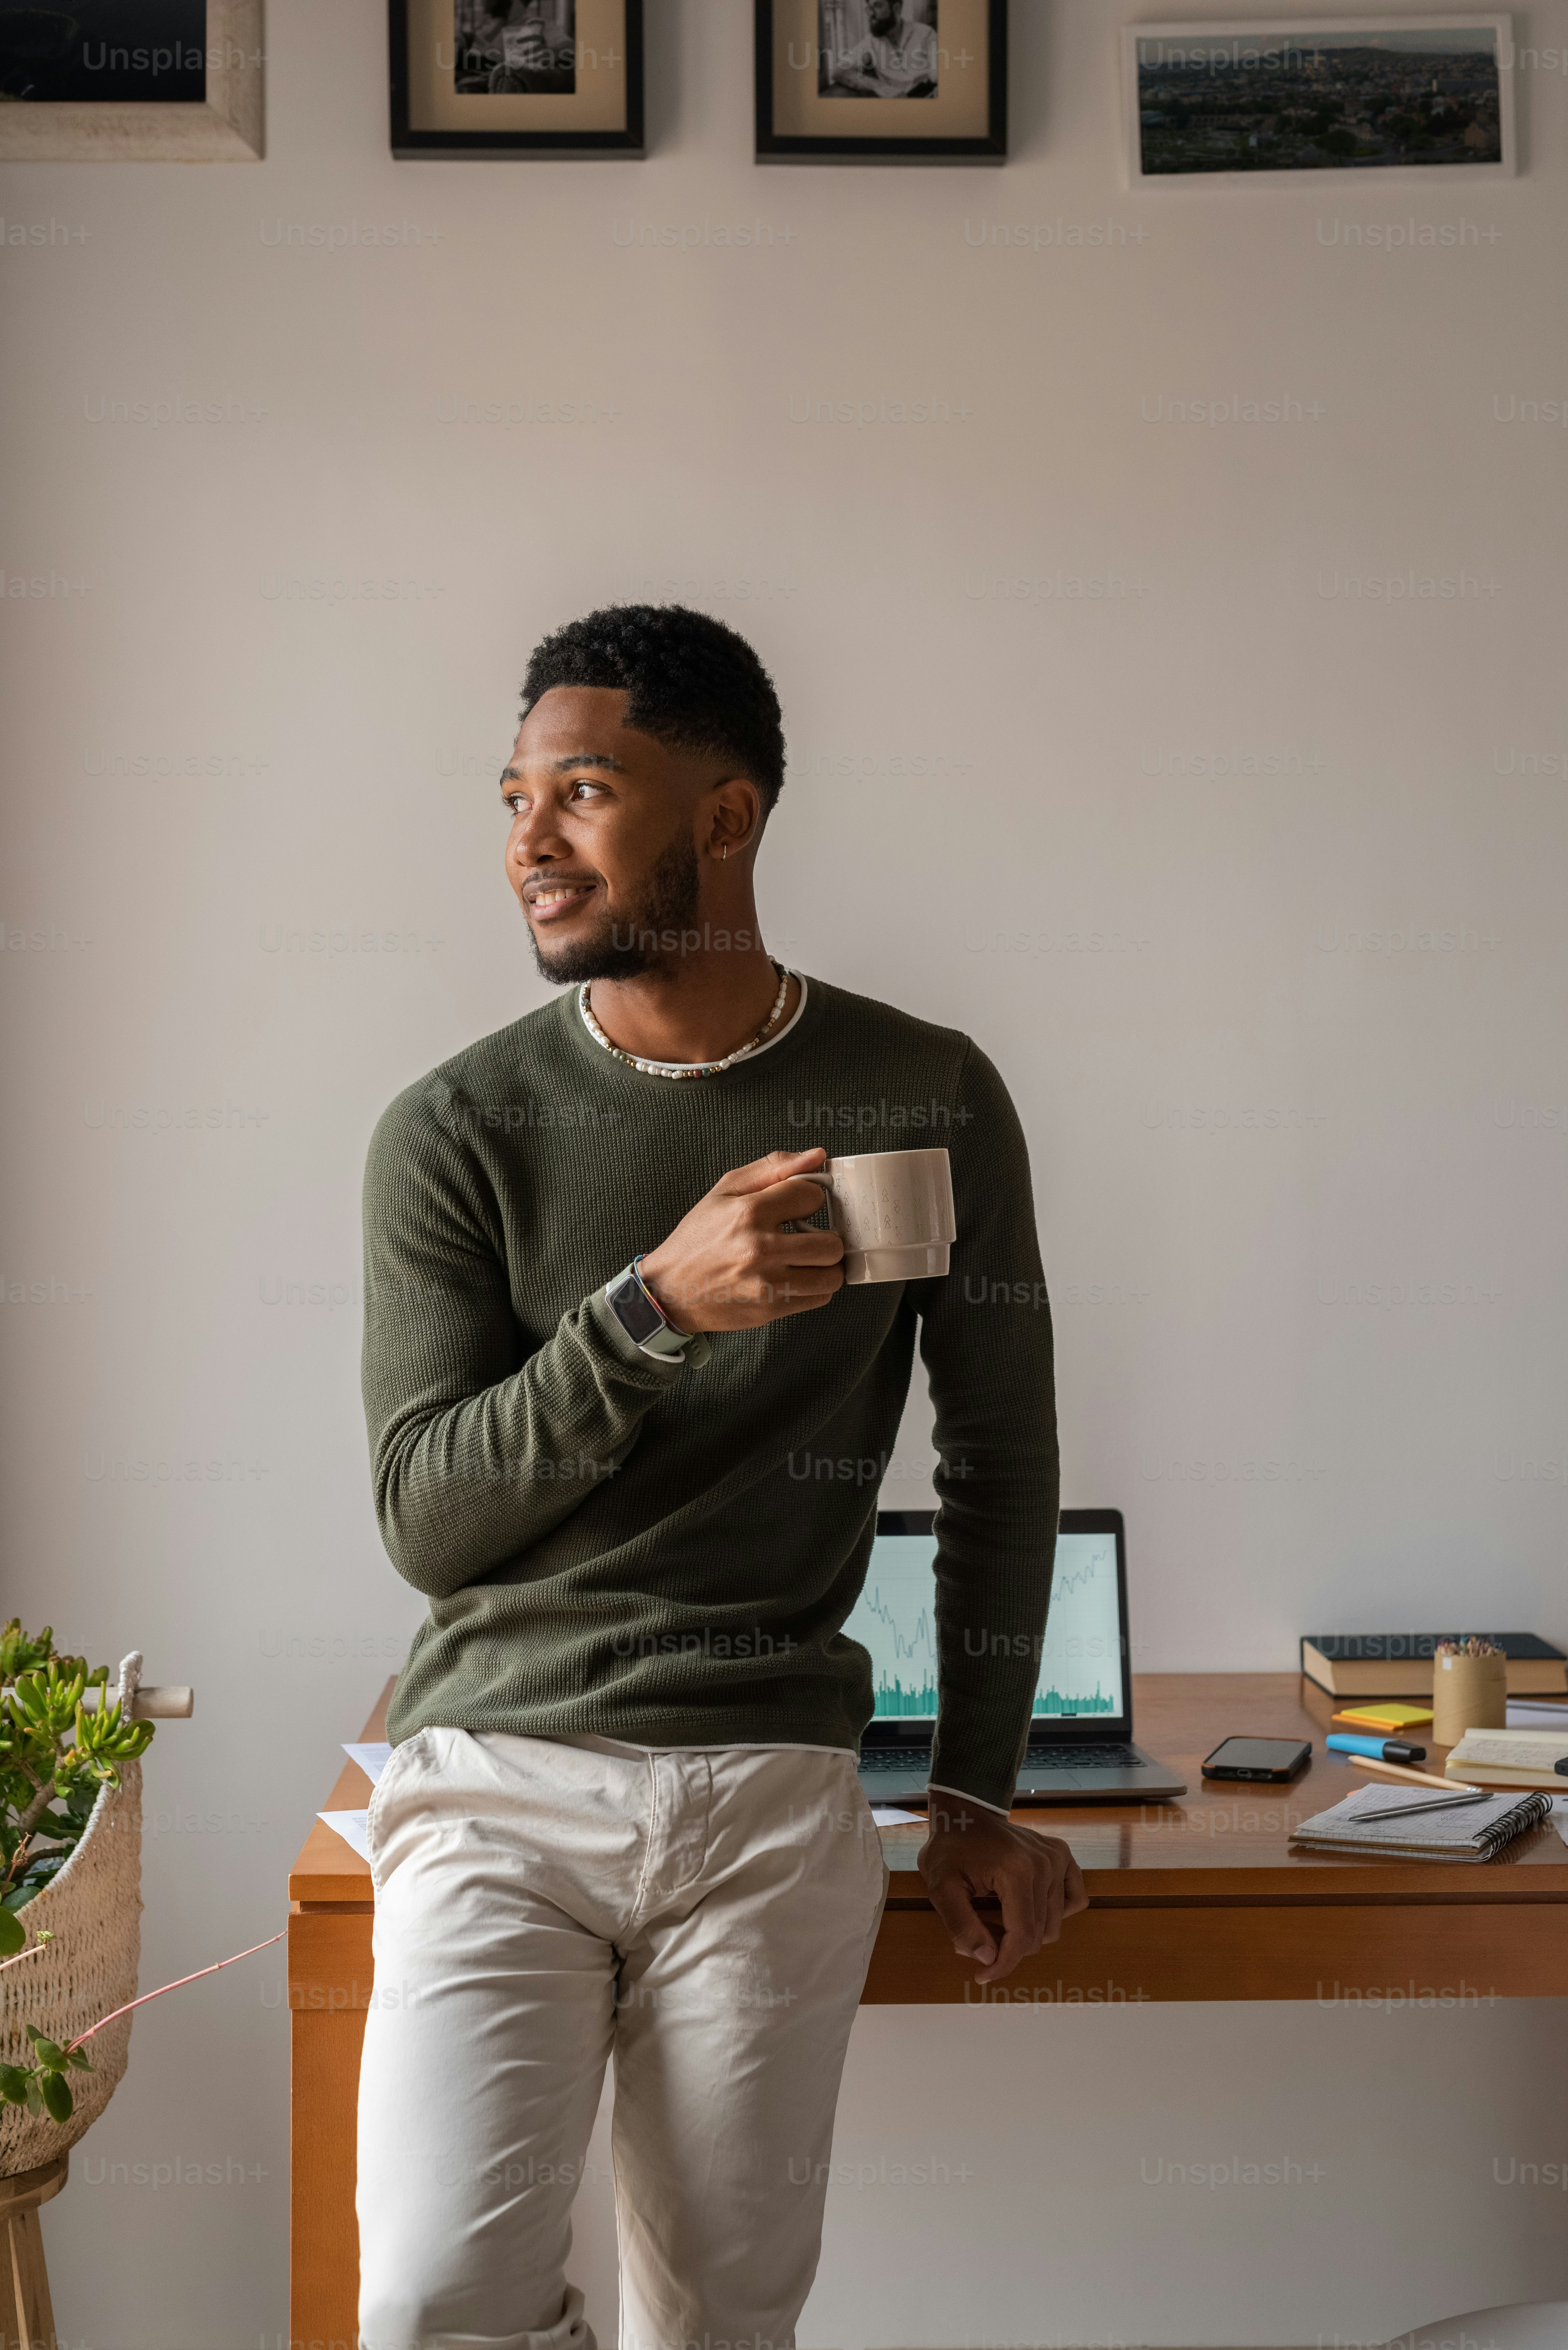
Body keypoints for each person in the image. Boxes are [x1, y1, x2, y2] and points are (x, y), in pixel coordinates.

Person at [355, 603, 1086, 2350]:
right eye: (513, 797)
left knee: (724, 2319)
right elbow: (428, 1519)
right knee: (434, 2295)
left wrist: (976, 1793)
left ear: (727, 816)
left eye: (583, 792)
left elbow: (999, 1451)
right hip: (496, 1781)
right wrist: (651, 1312)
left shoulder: (923, 1094)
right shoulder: (456, 1132)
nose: (528, 838)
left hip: (768, 1780)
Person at [823, 0, 939, 98]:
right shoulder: (871, 42)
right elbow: (839, 71)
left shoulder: (925, 34)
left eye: (878, 6)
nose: (871, 14)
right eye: (870, 8)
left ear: (896, 9)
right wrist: (880, 86)